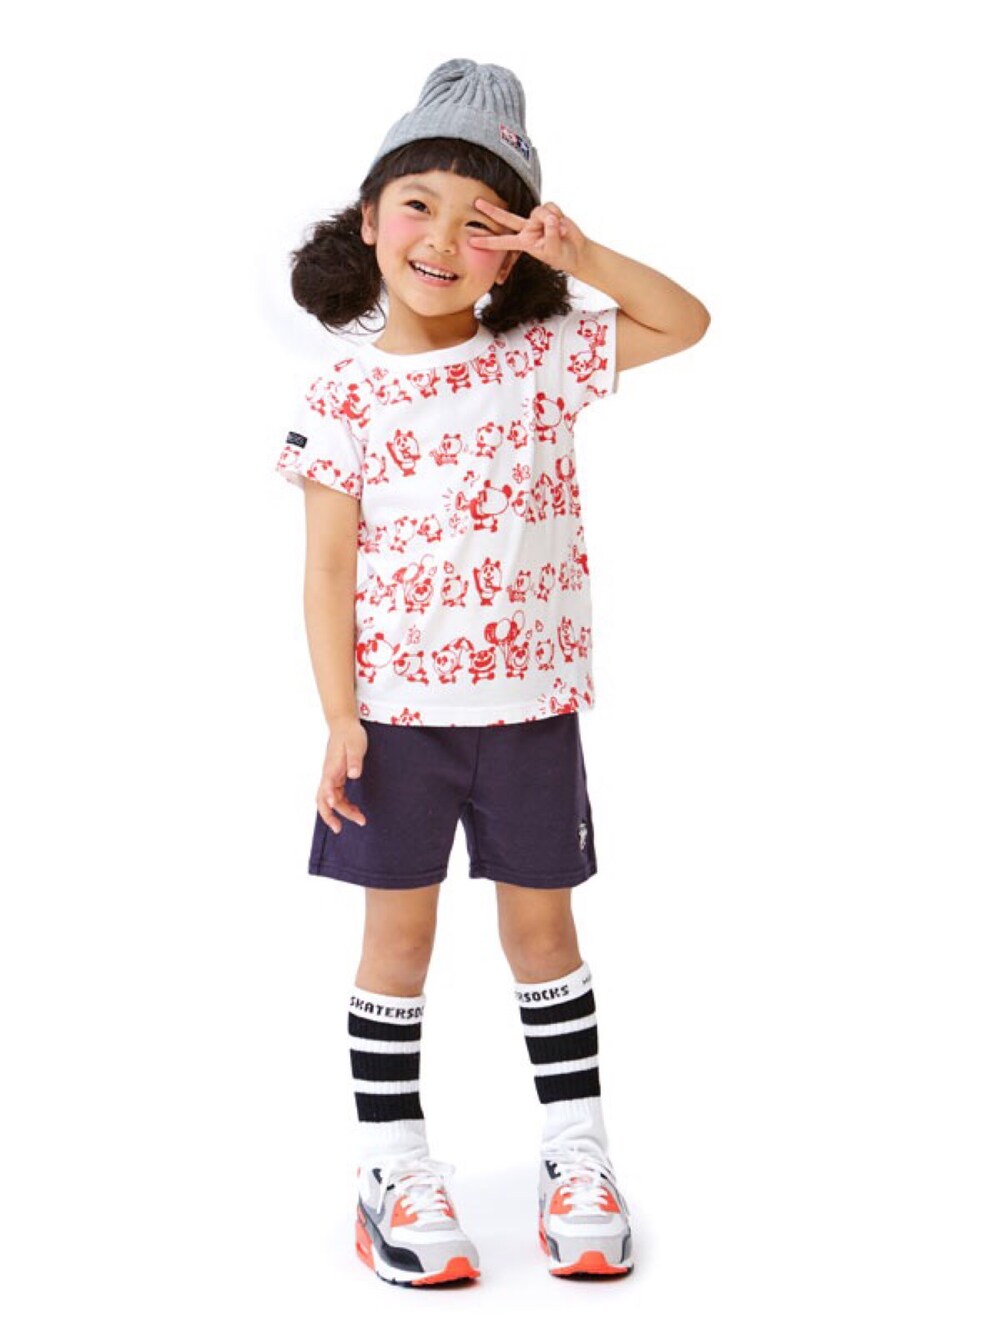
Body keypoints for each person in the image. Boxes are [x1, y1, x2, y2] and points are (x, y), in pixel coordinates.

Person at [274, 57, 710, 1287]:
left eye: (483, 221)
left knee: (542, 931)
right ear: (370, 218)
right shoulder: (344, 394)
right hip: (395, 724)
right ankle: (392, 1167)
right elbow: (326, 569)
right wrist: (339, 715)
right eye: (418, 204)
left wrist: (582, 251)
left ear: (512, 253)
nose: (442, 238)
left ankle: (579, 1152)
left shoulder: (542, 358)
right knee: (397, 943)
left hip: (529, 711)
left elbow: (683, 321)